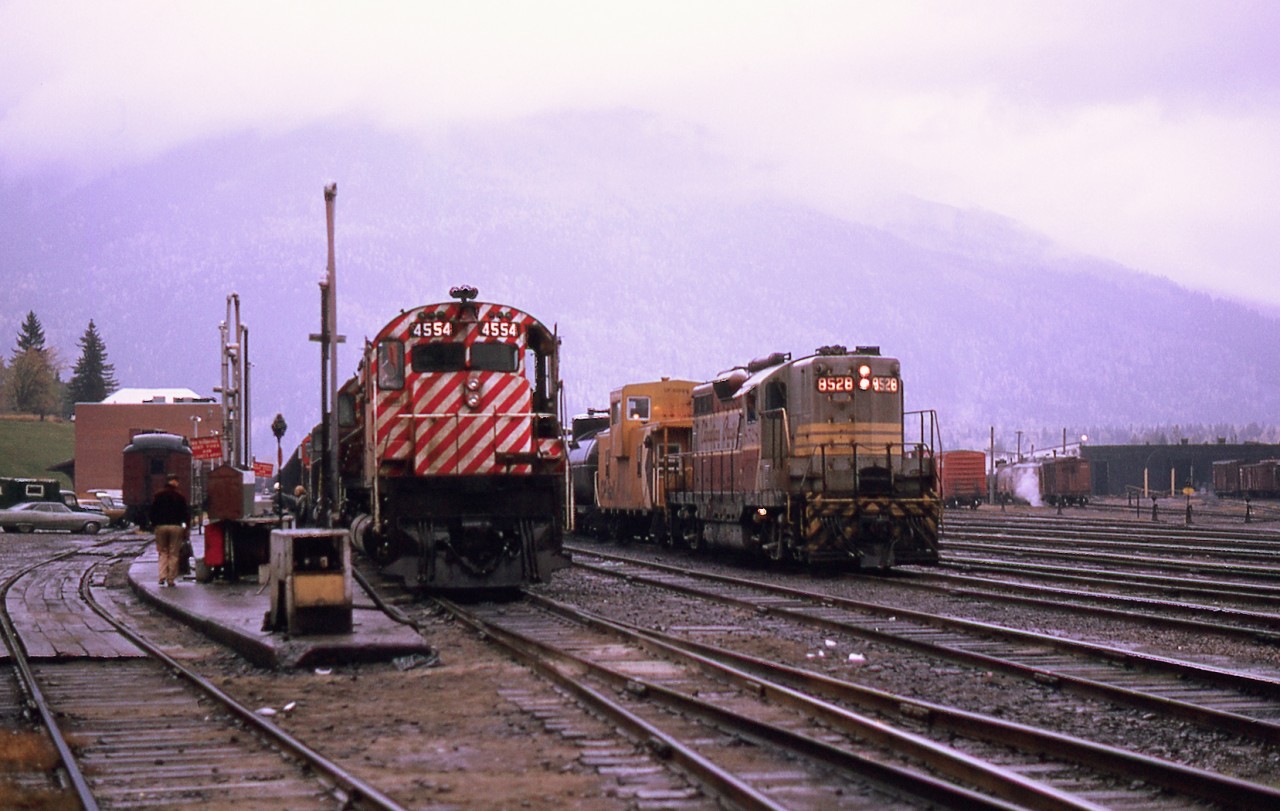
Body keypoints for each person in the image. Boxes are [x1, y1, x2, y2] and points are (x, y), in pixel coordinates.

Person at [150, 475, 189, 587]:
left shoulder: (158, 495)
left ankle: (162, 576)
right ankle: (171, 579)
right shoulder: (179, 496)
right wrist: (186, 527)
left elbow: (152, 512)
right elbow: (185, 514)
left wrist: (154, 524)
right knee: (174, 553)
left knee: (162, 552)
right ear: (175, 483)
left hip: (161, 526)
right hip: (176, 527)